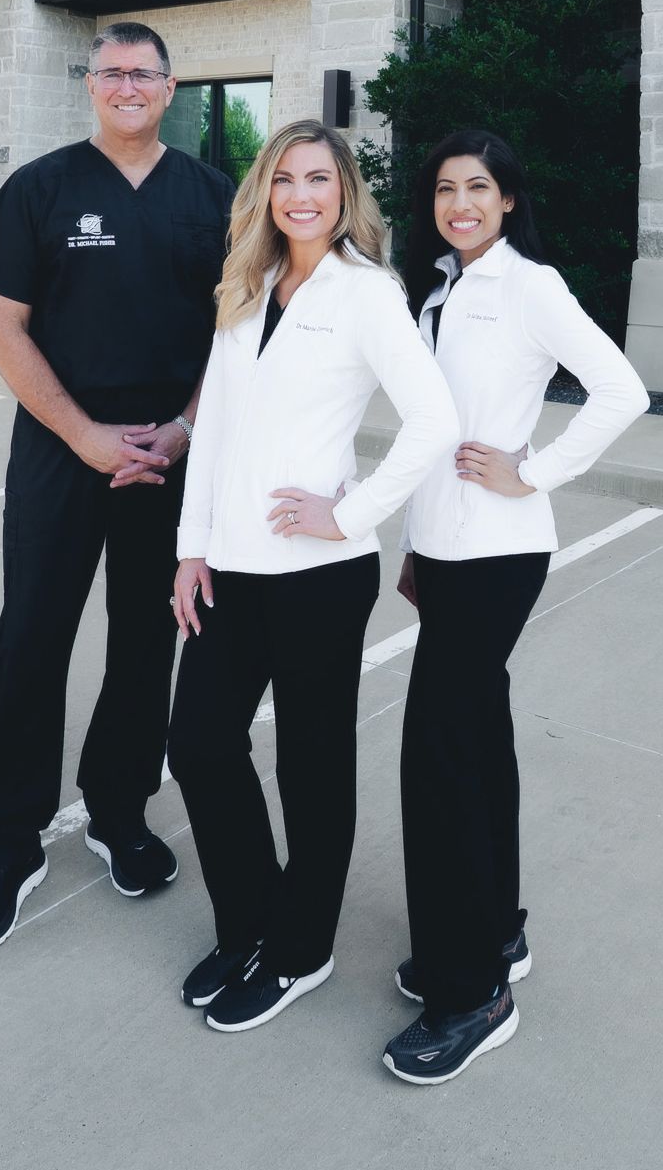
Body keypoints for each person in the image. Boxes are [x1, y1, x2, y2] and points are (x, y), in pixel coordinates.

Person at [0, 22, 234, 952]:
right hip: (61, 446)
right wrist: (85, 437)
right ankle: (6, 838)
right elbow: (2, 327)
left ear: (170, 84)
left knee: (150, 640)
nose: (125, 85)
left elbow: (237, 330)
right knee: (32, 635)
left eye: (142, 72)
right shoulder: (41, 187)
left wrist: (184, 428)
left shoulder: (213, 195)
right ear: (89, 84)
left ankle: (119, 810)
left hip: (171, 449)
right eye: (108, 71)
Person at [168, 120, 459, 1033]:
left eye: (319, 180)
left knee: (311, 766)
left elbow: (434, 421)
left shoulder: (366, 292)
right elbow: (212, 424)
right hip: (231, 568)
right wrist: (191, 544)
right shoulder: (246, 286)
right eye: (285, 178)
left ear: (343, 196)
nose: (301, 194)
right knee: (201, 743)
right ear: (265, 190)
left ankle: (300, 947)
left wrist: (350, 511)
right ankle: (251, 918)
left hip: (318, 574)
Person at [383, 128, 648, 1084]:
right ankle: (494, 931)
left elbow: (622, 390)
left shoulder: (529, 285)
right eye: (446, 190)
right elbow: (432, 429)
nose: (460, 204)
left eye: (478, 188)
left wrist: (531, 469)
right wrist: (417, 543)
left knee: (436, 758)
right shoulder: (441, 286)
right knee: (477, 746)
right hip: (447, 553)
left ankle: (472, 995)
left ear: (506, 199)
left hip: (499, 553)